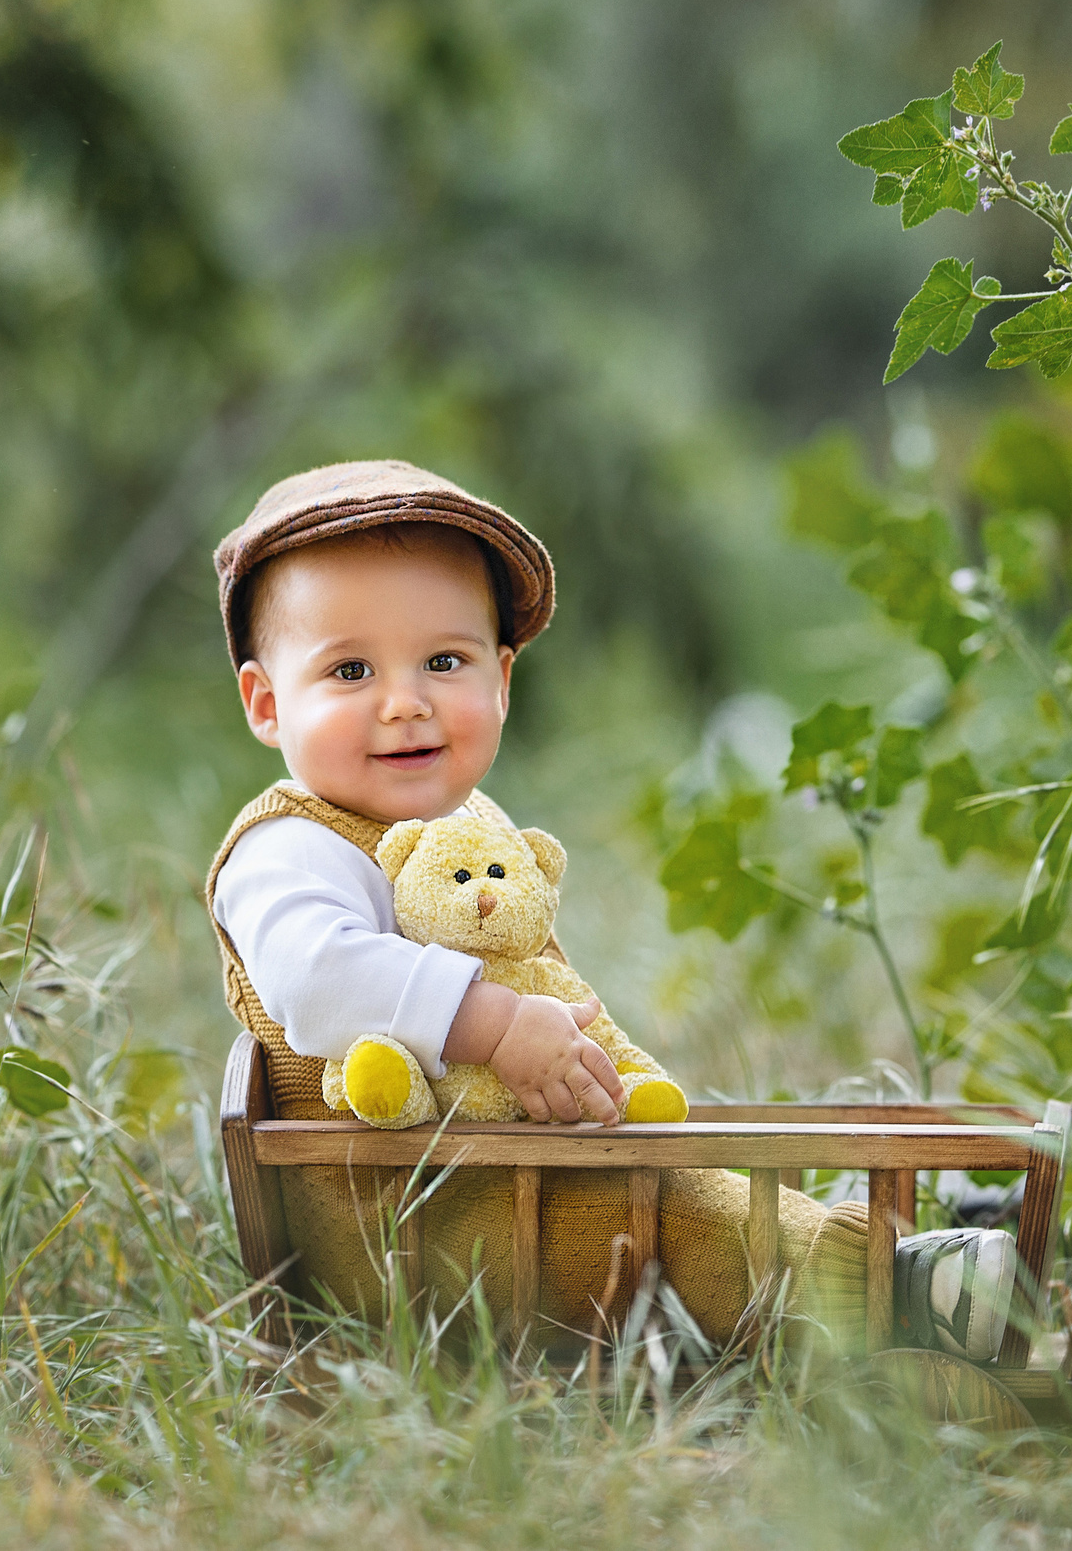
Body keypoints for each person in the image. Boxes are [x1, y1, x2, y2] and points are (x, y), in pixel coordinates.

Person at [204, 459, 1014, 1359]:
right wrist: (497, 1023)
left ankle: (894, 1262)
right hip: (399, 1232)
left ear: (502, 680)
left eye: (445, 660)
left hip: (499, 1186)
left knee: (673, 1188)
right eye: (350, 669)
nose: (406, 702)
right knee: (662, 1217)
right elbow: (316, 980)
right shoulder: (289, 848)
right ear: (268, 704)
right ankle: (886, 1301)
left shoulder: (471, 837)